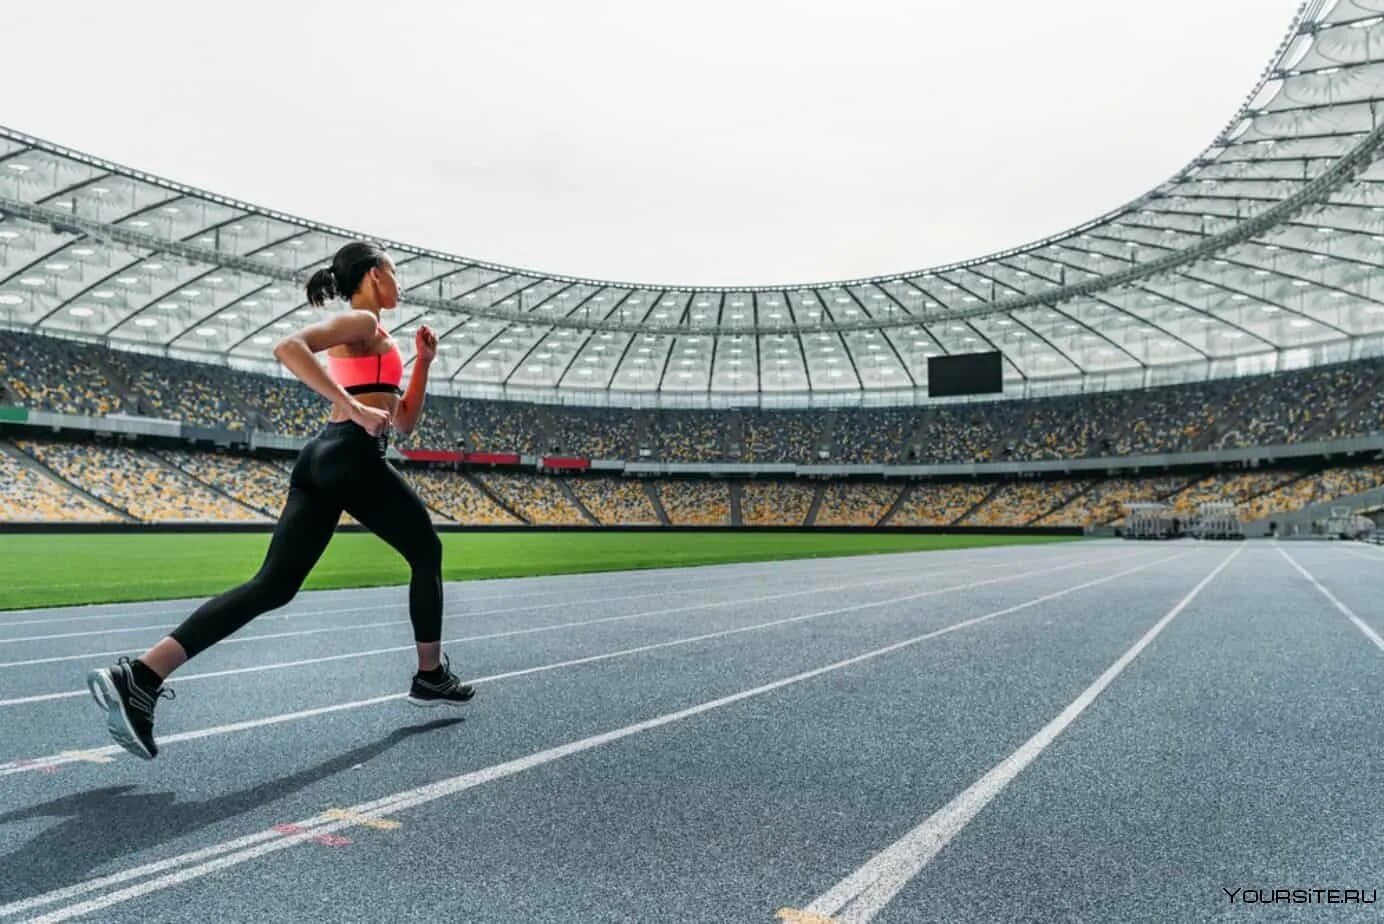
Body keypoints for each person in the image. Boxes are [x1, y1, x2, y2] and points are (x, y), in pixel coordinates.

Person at [87, 240, 474, 760]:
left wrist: (423, 363)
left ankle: (141, 675)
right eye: (396, 272)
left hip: (327, 459)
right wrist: (353, 406)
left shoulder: (383, 338)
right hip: (349, 455)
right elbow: (288, 347)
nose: (400, 284)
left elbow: (402, 422)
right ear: (376, 274)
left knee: (272, 586)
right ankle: (430, 676)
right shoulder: (360, 323)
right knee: (426, 550)